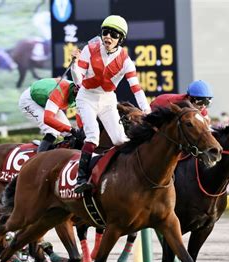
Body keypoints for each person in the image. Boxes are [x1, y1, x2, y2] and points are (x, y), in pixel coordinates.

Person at [70, 15, 151, 193]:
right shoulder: (90, 49)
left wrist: (147, 111)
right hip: (87, 97)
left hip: (107, 100)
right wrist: (75, 65)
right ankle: (80, 179)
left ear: (120, 39)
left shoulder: (126, 61)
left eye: (114, 34)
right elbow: (79, 79)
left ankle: (126, 175)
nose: (108, 36)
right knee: (92, 137)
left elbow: (136, 89)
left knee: (120, 140)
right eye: (105, 32)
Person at [18, 78, 84, 152]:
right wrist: (71, 129)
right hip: (30, 100)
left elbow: (80, 117)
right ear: (75, 90)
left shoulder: (81, 96)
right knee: (52, 131)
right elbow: (48, 119)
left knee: (70, 135)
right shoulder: (60, 93)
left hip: (48, 101)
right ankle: (40, 157)